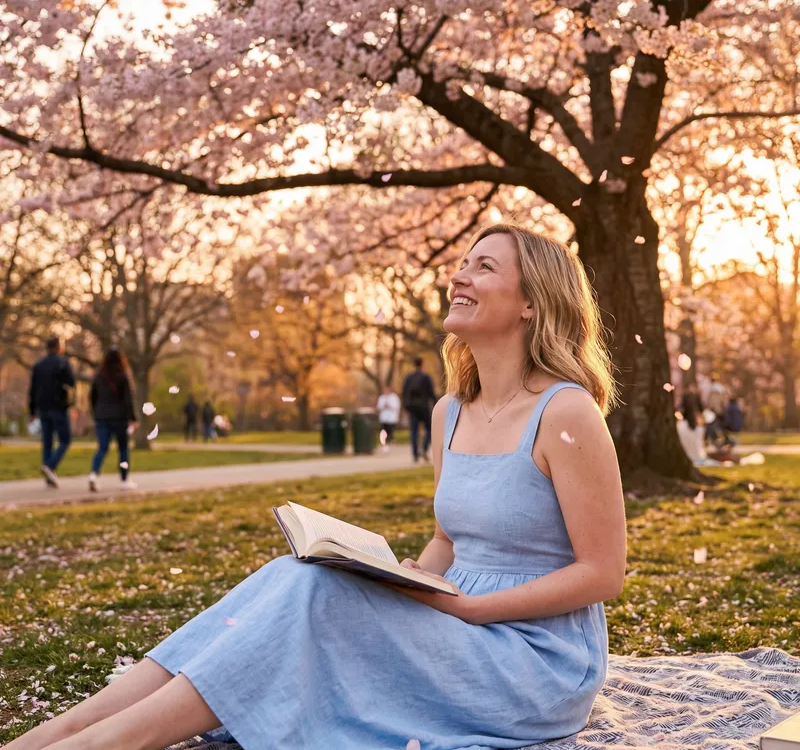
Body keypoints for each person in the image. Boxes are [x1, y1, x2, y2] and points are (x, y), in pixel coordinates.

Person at [7, 223, 626, 750]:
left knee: (314, 594)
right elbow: (448, 538)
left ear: (531, 302)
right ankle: (50, 736)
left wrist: (468, 606)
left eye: (483, 267)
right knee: (295, 575)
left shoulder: (567, 412)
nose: (458, 276)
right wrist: (407, 575)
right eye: (461, 264)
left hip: (534, 661)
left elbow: (603, 572)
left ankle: (98, 745)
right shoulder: (450, 412)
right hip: (456, 621)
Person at [28, 336, 76, 489]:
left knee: (47, 441)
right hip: (58, 406)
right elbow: (71, 382)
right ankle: (50, 465)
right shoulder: (62, 363)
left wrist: (32, 410)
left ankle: (49, 478)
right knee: (65, 440)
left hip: (42, 407)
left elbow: (33, 389)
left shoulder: (38, 365)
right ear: (58, 347)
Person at [88, 347, 139, 493]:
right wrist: (133, 418)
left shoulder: (99, 376)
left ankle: (93, 475)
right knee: (123, 449)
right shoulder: (123, 376)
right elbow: (129, 399)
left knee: (102, 448)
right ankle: (124, 480)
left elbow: (92, 397)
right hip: (119, 418)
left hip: (102, 417)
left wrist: (96, 412)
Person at [402, 357, 436, 463]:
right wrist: (436, 404)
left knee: (414, 431)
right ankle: (424, 449)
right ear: (422, 364)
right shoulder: (426, 377)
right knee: (429, 429)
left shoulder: (409, 377)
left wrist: (405, 407)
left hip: (412, 408)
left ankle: (415, 455)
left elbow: (404, 392)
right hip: (423, 407)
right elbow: (431, 393)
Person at [376, 382, 401, 452]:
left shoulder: (394, 397)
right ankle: (385, 442)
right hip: (383, 417)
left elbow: (396, 407)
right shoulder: (382, 398)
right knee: (384, 430)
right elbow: (378, 407)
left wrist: (389, 405)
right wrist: (383, 405)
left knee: (391, 430)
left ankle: (392, 440)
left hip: (391, 417)